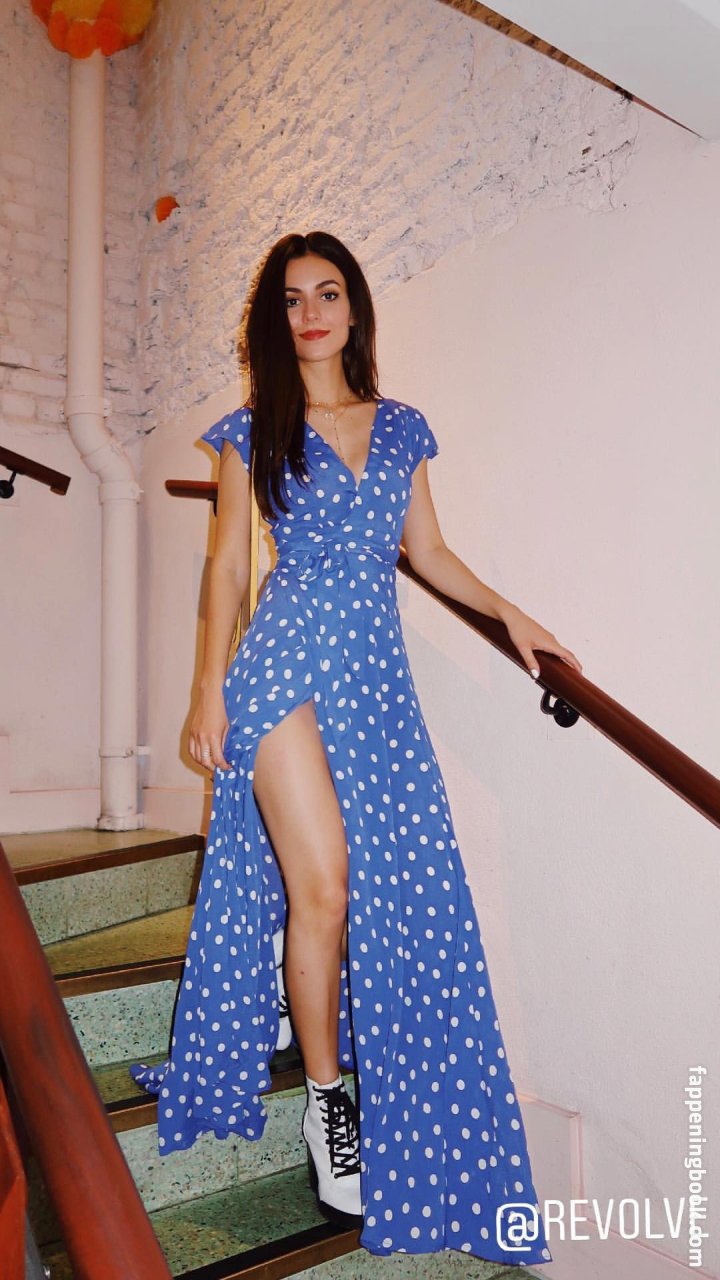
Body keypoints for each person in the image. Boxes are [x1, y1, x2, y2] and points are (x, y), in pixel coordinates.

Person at [131, 230, 582, 1266]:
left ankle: (308, 1000)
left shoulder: (402, 426)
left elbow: (428, 553)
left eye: (327, 293)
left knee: (386, 887)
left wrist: (514, 616)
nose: (311, 314)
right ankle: (328, 1103)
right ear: (275, 319)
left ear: (354, 309)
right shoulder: (251, 432)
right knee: (326, 886)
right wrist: (207, 691)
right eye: (292, 299)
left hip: (375, 683)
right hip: (278, 672)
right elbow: (226, 569)